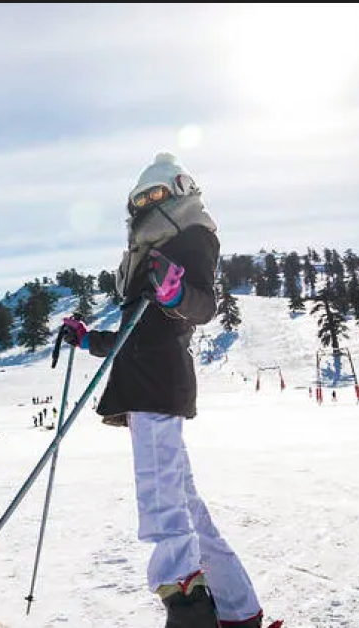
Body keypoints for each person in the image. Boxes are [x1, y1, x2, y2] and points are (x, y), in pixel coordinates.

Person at [60, 153, 271, 628]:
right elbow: (135, 335)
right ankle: (239, 611)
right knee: (186, 503)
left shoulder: (191, 233)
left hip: (158, 383)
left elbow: (203, 305)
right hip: (144, 380)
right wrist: (88, 338)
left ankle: (188, 606)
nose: (147, 204)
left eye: (156, 194)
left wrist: (177, 294)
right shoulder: (145, 258)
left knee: (160, 495)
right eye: (140, 199)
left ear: (179, 191)